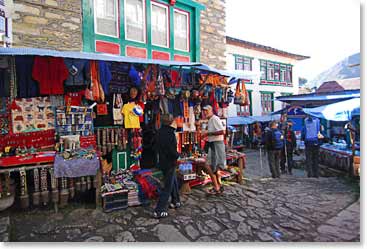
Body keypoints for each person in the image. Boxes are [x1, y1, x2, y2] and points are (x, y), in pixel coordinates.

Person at [153, 114, 181, 218]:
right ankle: (159, 210)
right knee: (168, 187)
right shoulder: (170, 133)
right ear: (170, 122)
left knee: (173, 180)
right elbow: (171, 150)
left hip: (162, 161)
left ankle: (176, 200)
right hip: (169, 162)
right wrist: (178, 156)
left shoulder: (159, 132)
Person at [201, 105, 226, 195]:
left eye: (207, 111)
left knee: (208, 165)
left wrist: (208, 133)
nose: (205, 113)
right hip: (213, 144)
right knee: (214, 167)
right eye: (204, 111)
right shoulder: (211, 120)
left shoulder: (214, 119)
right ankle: (218, 186)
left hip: (216, 144)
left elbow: (222, 131)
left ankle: (216, 186)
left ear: (211, 111)